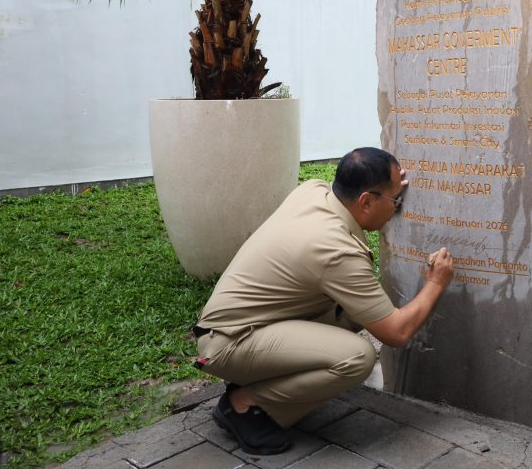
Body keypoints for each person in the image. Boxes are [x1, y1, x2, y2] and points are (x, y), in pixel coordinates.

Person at [193, 147, 454, 455]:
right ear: (366, 201)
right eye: (395, 200)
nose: (398, 205)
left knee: (359, 311)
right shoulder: (335, 250)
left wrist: (387, 186)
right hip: (227, 344)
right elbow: (396, 332)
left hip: (246, 325)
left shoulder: (314, 190)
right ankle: (245, 404)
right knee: (357, 357)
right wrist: (436, 282)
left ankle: (261, 381)